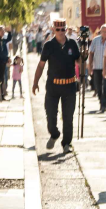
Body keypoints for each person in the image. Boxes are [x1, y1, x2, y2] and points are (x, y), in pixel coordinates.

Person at [33, 19, 80, 152]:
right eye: (58, 29)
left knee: (68, 116)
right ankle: (54, 134)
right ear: (53, 29)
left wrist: (84, 56)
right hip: (53, 86)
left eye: (63, 29)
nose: (61, 32)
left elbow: (78, 61)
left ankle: (66, 143)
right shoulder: (49, 45)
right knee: (50, 115)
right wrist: (35, 82)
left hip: (69, 86)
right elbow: (41, 65)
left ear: (66, 29)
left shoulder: (72, 44)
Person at [0, 25, 10, 100]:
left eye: (4, 31)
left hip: (3, 61)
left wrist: (7, 58)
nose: (3, 32)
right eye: (2, 30)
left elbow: (4, 50)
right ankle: (0, 94)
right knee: (0, 78)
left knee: (2, 78)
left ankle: (1, 94)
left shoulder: (2, 39)